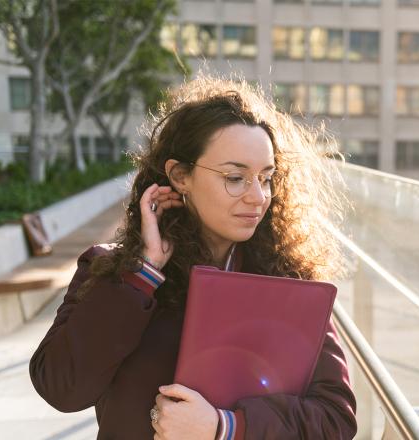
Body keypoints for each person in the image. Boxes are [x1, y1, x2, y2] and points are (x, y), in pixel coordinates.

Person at [29, 73, 357, 439]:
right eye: (235, 178)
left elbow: (335, 420)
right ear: (180, 175)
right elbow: (61, 388)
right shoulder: (115, 273)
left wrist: (227, 426)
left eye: (265, 178)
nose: (258, 197)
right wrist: (143, 273)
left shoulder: (290, 285)